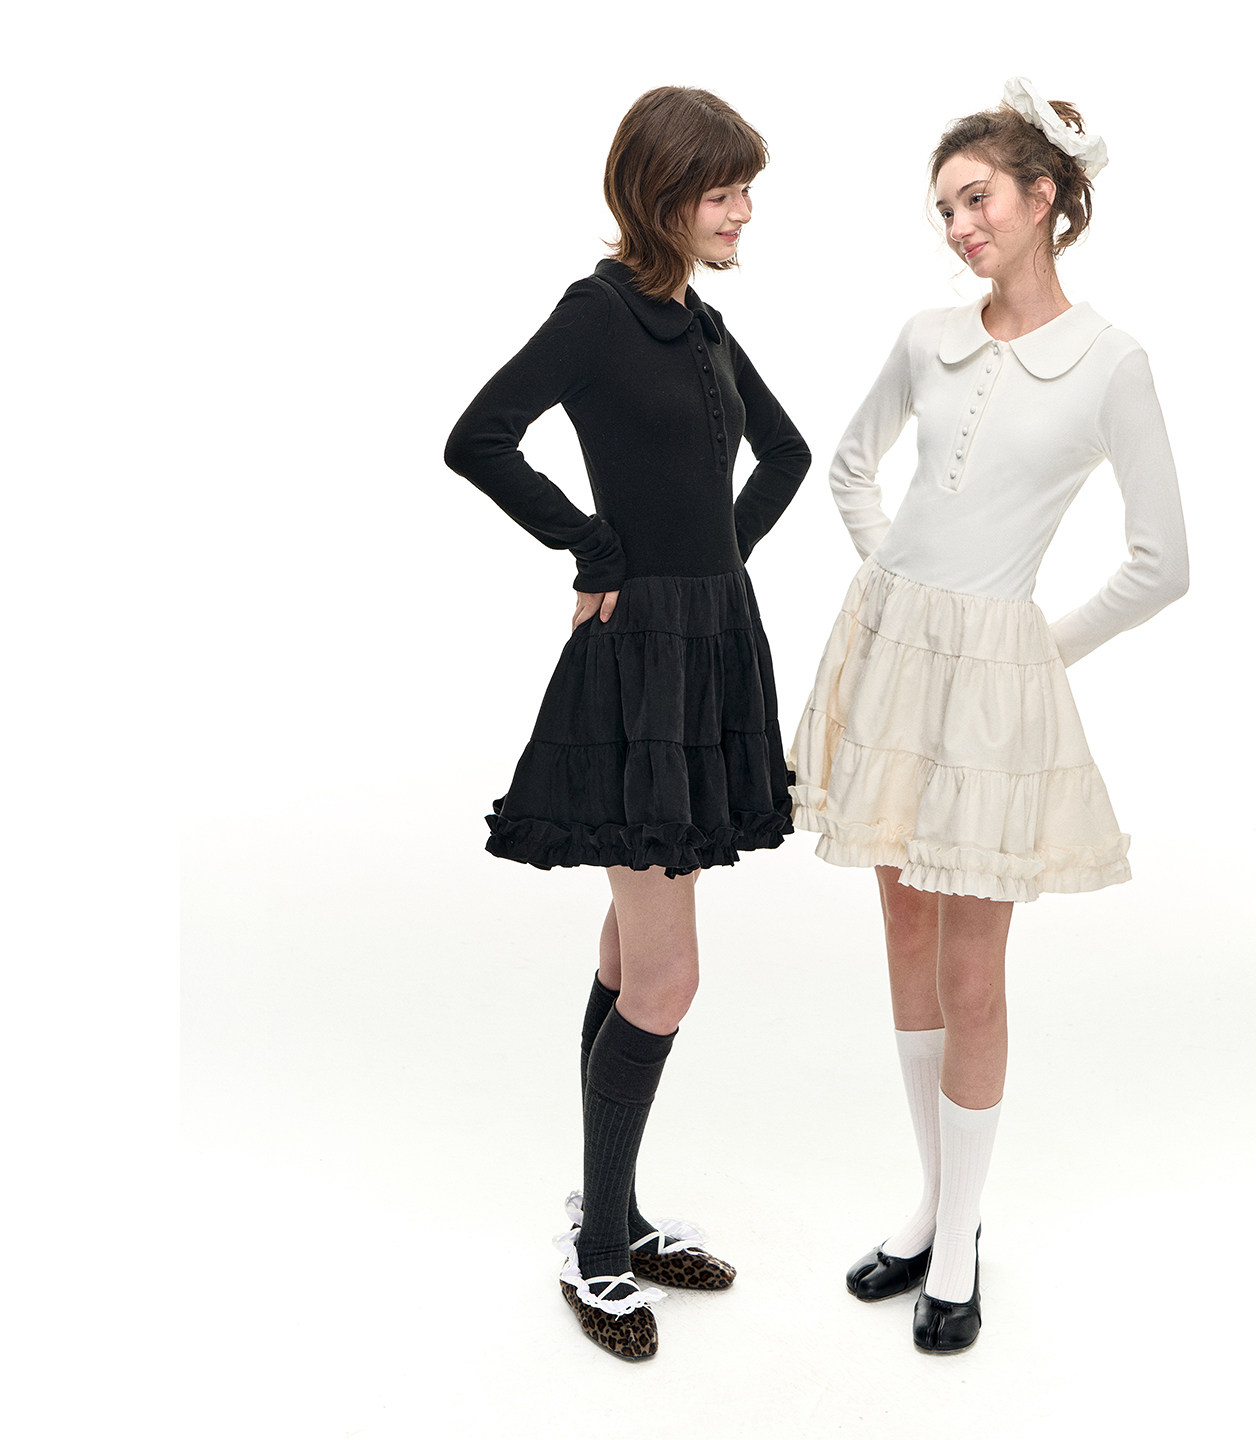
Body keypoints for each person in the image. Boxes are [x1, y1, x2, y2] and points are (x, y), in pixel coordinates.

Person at [788, 77, 1188, 1354]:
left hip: (992, 693)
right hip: (890, 662)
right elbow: (851, 466)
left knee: (974, 970)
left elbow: (1163, 563)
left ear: (1045, 197)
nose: (959, 227)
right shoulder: (926, 337)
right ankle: (929, 1205)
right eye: (945, 210)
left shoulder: (1112, 364)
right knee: (905, 935)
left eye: (977, 200)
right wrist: (897, 589)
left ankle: (961, 1239)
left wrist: (1032, 652)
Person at [444, 86, 809, 1362]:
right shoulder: (597, 313)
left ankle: (616, 1215)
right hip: (638, 664)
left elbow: (786, 455)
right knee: (668, 974)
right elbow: (479, 438)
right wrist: (600, 549)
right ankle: (598, 1247)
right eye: (725, 191)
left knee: (630, 951)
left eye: (748, 190)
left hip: (711, 647)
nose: (744, 211)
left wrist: (715, 564)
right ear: (662, 195)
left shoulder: (700, 323)